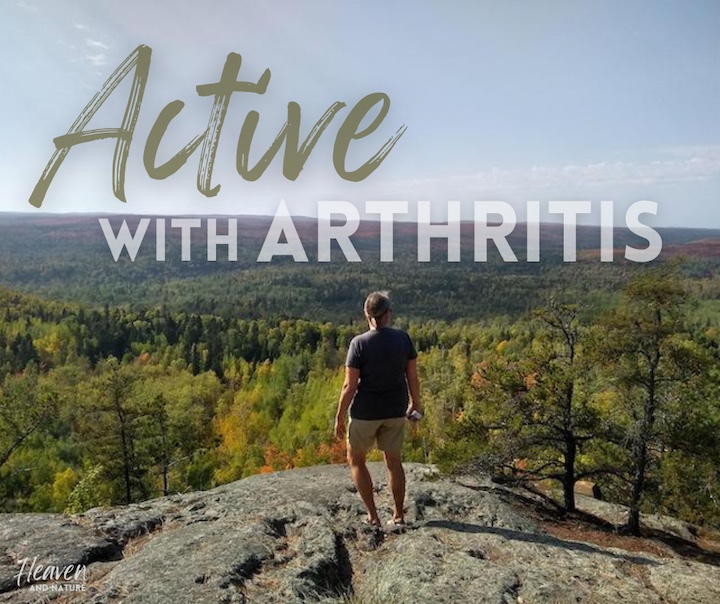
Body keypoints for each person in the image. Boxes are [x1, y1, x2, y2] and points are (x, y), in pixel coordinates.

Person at [334, 291, 421, 527]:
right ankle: (398, 515)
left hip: (365, 413)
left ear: (366, 314)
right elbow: (412, 376)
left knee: (356, 460)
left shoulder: (359, 343)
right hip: (395, 410)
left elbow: (349, 386)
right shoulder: (403, 339)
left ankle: (373, 517)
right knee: (393, 461)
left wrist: (340, 417)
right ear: (388, 313)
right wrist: (416, 403)